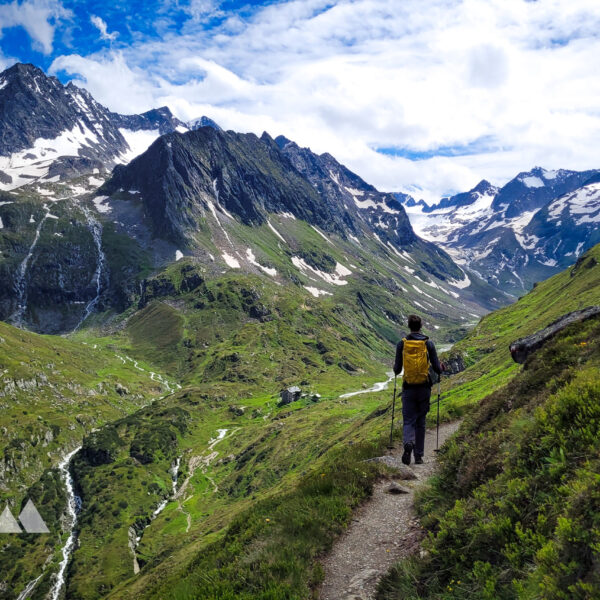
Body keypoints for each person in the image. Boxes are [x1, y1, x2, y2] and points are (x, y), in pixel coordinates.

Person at [393, 314, 443, 465]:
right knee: (421, 421)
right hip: (424, 387)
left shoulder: (402, 344)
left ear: (409, 326)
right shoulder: (429, 344)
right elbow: (437, 368)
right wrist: (441, 368)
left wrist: (395, 368)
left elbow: (397, 369)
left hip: (408, 388)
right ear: (420, 326)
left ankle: (408, 442)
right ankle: (419, 456)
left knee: (408, 420)